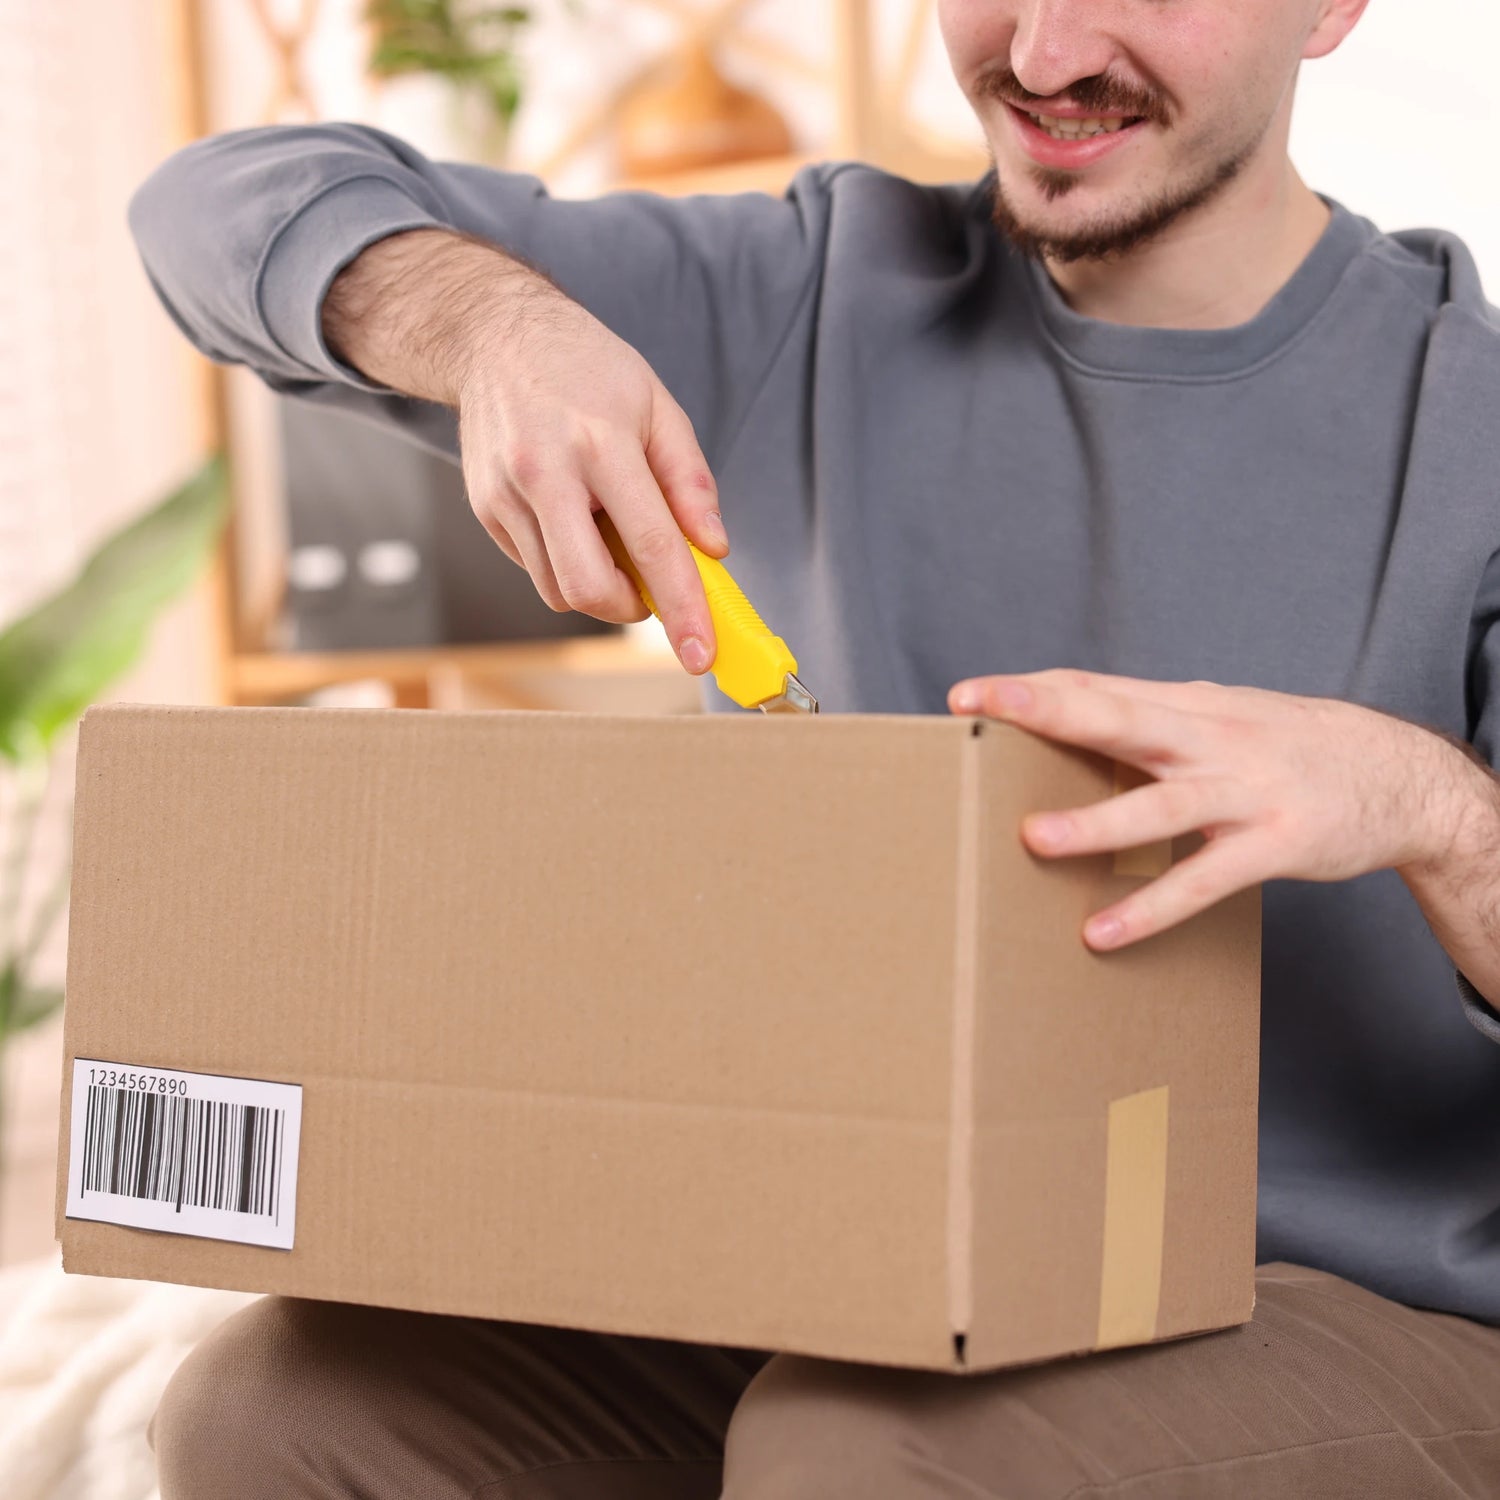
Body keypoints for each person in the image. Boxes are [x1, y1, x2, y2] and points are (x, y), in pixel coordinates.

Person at [129, 0, 1500, 1494]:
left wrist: (1424, 803)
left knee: (859, 1450)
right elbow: (213, 206)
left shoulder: (1469, 424)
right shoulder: (807, 291)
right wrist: (498, 329)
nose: (1042, 56)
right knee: (279, 1408)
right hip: (873, 1263)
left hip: (1362, 1308)